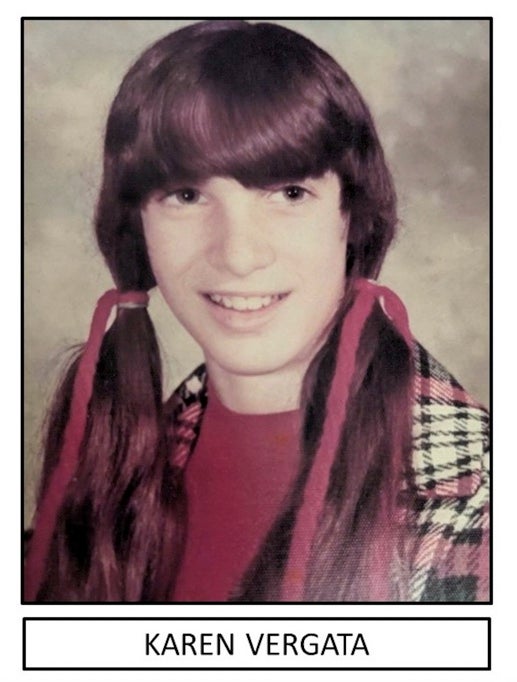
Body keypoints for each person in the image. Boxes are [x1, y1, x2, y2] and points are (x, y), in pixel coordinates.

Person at [24, 19, 489, 603]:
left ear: (353, 216)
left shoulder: (479, 502)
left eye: (289, 193)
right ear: (136, 226)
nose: (238, 256)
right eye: (187, 196)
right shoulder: (105, 471)